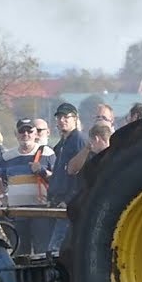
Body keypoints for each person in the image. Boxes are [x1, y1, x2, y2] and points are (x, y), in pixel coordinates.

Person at [0, 118, 56, 255]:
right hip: (17, 212)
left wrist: (42, 171)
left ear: (36, 134)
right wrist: (3, 197)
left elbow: (57, 179)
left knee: (42, 252)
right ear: (16, 134)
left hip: (41, 211)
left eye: (29, 131)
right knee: (20, 253)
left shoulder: (47, 153)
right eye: (22, 131)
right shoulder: (7, 156)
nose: (25, 134)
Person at [46, 103, 88, 252]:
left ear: (75, 119)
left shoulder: (79, 140)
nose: (62, 120)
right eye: (59, 117)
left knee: (56, 250)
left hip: (68, 204)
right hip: (56, 202)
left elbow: (82, 175)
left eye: (66, 116)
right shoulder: (62, 143)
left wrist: (69, 200)